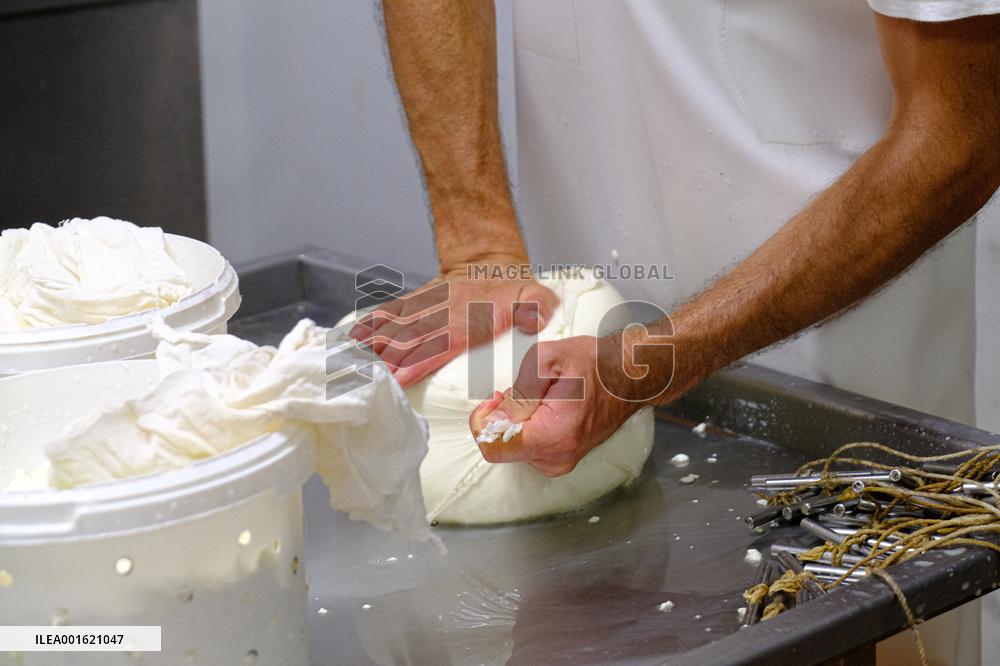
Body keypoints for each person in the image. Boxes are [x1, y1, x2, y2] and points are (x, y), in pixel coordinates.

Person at [355, 1, 1000, 662]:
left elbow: (961, 123)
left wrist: (658, 357)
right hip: (577, 314)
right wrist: (477, 240)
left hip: (846, 345)